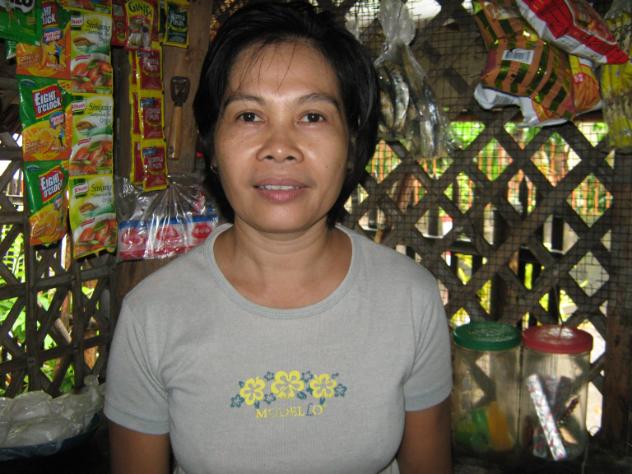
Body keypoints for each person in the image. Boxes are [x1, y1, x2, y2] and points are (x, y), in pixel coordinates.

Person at [104, 1, 453, 473]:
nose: (280, 148)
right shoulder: (152, 316)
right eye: (249, 116)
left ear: (353, 144)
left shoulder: (410, 300)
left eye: (313, 116)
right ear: (211, 145)